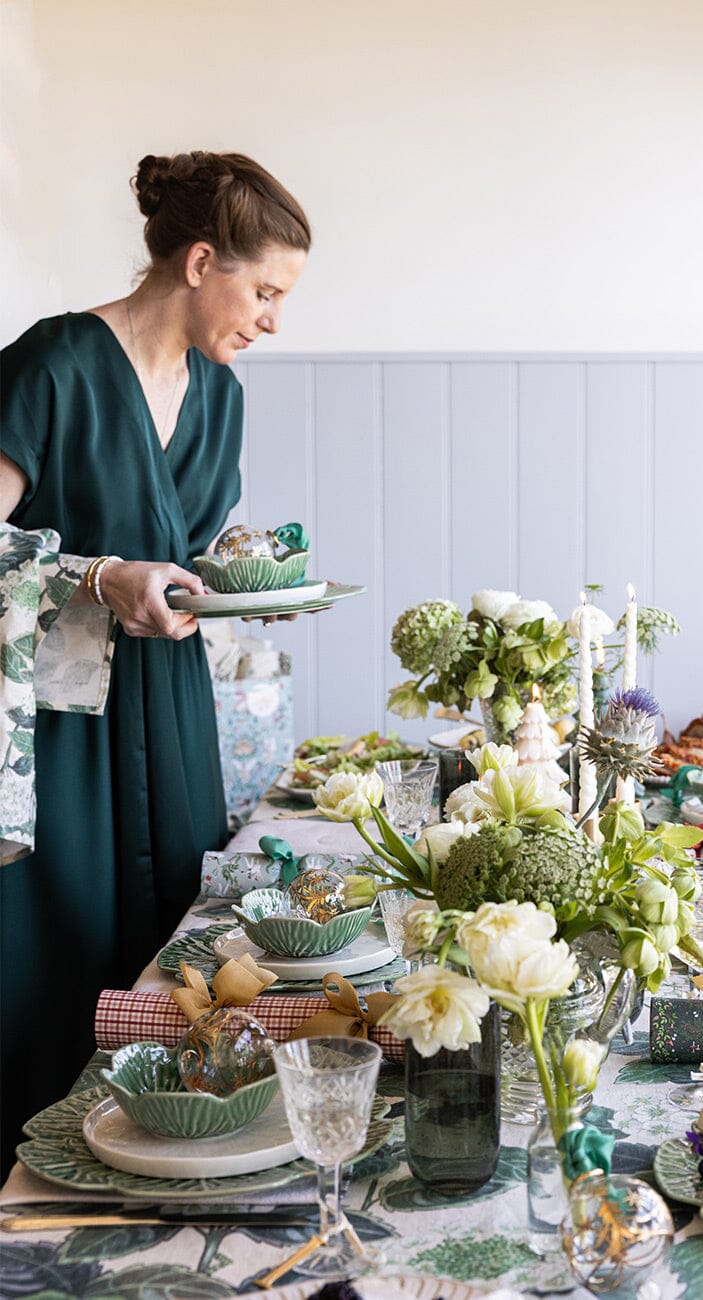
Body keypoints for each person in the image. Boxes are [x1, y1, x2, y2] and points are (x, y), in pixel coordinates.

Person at [0, 151, 310, 1174]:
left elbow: (188, 543)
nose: (270, 319)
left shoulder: (219, 395)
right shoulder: (53, 365)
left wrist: (237, 567)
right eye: (262, 290)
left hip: (173, 712)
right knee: (60, 961)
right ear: (198, 259)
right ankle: (32, 1203)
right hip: (64, 732)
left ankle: (176, 1180)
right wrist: (100, 578)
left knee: (180, 951)